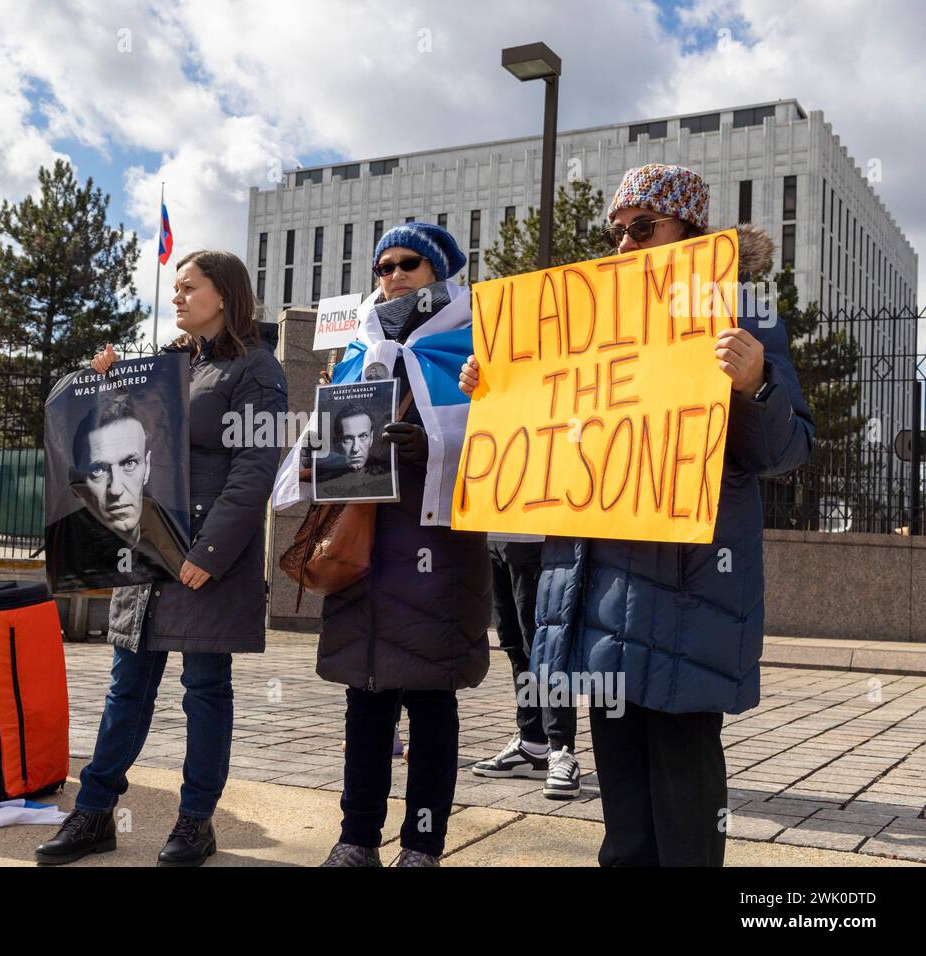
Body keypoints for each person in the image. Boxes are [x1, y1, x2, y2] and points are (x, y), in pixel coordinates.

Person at [458, 163, 815, 865]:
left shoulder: (743, 317)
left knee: (683, 789)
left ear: (690, 230)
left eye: (642, 227)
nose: (623, 243)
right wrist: (493, 386)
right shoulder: (588, 326)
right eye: (617, 230)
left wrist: (757, 383)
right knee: (621, 799)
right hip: (600, 585)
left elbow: (787, 451)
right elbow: (553, 430)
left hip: (689, 590)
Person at [36, 250, 288, 868]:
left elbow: (256, 468)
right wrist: (102, 379)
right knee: (127, 687)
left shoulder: (257, 370)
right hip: (147, 554)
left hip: (205, 560)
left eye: (188, 287)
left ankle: (195, 823)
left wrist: (211, 550)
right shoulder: (167, 365)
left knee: (205, 689)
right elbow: (94, 428)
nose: (176, 297)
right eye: (174, 288)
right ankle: (94, 814)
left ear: (223, 294)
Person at [273, 221, 493, 867]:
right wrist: (321, 457)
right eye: (383, 266)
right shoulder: (354, 353)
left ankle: (423, 846)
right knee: (364, 705)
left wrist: (434, 450)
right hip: (361, 556)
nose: (393, 275)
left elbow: (506, 443)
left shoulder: (476, 347)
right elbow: (320, 460)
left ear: (439, 274)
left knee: (431, 708)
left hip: (440, 557)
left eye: (409, 264)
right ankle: (356, 839)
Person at [471, 532, 580, 798]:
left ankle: (561, 748)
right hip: (495, 531)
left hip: (536, 533)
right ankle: (532, 743)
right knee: (514, 644)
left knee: (546, 645)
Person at [45, 395, 189, 589]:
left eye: (129, 464)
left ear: (146, 468)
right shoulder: (69, 554)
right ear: (77, 479)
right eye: (98, 470)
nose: (116, 489)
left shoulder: (181, 540)